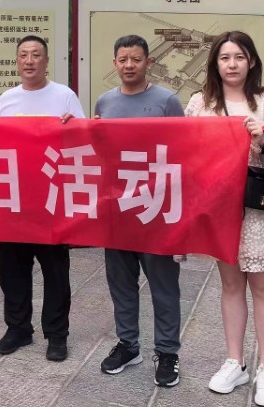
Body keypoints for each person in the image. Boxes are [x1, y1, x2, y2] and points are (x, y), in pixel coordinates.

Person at [185, 31, 264, 407]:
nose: (232, 64)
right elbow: (186, 149)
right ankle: (234, 361)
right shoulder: (201, 102)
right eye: (225, 58)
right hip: (221, 208)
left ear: (251, 61)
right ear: (215, 63)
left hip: (259, 209)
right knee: (231, 285)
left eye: (239, 57)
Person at [0, 35, 85, 362]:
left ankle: (56, 334)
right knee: (12, 269)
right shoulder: (7, 99)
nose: (29, 61)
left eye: (36, 55)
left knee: (55, 272)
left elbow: (82, 141)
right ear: (17, 61)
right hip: (14, 200)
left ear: (46, 61)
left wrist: (73, 127)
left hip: (51, 200)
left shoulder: (64, 96)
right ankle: (18, 329)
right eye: (24, 55)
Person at [94, 35, 184, 387]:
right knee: (121, 284)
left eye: (136, 59)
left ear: (149, 62)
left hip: (156, 210)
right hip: (117, 210)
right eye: (123, 59)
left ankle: (168, 352)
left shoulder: (167, 101)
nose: (129, 65)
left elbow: (183, 154)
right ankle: (128, 345)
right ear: (114, 63)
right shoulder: (105, 101)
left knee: (163, 287)